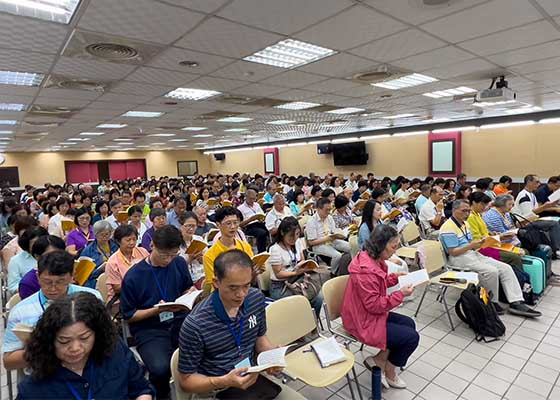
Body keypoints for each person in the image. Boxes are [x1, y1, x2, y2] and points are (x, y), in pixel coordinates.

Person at [178, 250, 283, 399]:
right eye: (233, 288)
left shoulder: (255, 298)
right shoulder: (195, 324)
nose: (241, 294)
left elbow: (260, 338)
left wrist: (272, 356)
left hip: (251, 377)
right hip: (216, 388)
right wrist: (223, 380)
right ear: (216, 283)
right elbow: (186, 381)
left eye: (246, 285)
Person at [17, 292, 155, 399]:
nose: (75, 348)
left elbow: (141, 389)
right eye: (64, 341)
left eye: (84, 338)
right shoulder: (33, 387)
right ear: (50, 340)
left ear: (97, 334)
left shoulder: (115, 351)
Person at [120, 225, 195, 399]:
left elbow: (186, 287)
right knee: (161, 369)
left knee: (204, 351)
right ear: (152, 245)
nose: (168, 260)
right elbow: (129, 316)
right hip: (150, 329)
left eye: (173, 254)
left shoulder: (179, 262)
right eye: (164, 255)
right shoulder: (134, 276)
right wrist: (155, 311)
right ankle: (161, 395)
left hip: (180, 320)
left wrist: (190, 293)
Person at [341, 224, 418, 389]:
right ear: (381, 245)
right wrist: (400, 294)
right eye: (393, 247)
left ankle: (379, 360)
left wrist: (394, 278)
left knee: (409, 324)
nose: (395, 251)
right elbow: (374, 305)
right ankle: (390, 371)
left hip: (364, 313)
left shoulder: (372, 259)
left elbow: (378, 283)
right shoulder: (366, 270)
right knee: (411, 337)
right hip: (360, 320)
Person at [439, 200, 541, 317]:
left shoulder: (464, 224)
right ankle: (492, 302)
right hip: (458, 258)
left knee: (506, 268)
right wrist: (472, 245)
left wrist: (483, 242)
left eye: (468, 211)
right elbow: (453, 252)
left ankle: (516, 301)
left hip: (471, 253)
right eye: (464, 211)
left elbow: (470, 242)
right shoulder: (448, 228)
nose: (467, 214)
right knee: (491, 271)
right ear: (454, 210)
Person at [2, 251, 102, 371]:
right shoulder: (21, 311)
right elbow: (9, 362)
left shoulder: (91, 298)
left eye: (60, 282)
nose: (53, 288)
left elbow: (105, 337)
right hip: (45, 375)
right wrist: (45, 350)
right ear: (38, 276)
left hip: (89, 369)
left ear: (72, 276)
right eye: (47, 282)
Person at [269, 217, 323, 316]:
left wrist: (306, 266)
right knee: (300, 304)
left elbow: (302, 260)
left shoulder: (297, 242)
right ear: (282, 233)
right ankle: (302, 327)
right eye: (290, 236)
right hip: (280, 286)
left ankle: (313, 324)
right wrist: (295, 272)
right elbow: (278, 274)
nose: (294, 238)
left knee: (319, 298)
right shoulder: (275, 249)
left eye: (297, 234)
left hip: (298, 280)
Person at [358, 201, 409, 294]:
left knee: (403, 264)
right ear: (370, 212)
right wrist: (388, 260)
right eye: (378, 210)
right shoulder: (364, 228)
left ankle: (405, 290)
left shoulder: (379, 223)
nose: (381, 212)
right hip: (373, 255)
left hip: (382, 252)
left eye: (380, 209)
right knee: (393, 267)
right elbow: (368, 249)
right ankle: (390, 294)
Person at [203, 207, 253, 291]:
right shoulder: (209, 255)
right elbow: (213, 283)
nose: (233, 227)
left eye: (235, 223)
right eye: (228, 223)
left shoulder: (245, 246)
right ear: (218, 225)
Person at [106, 224, 149, 304]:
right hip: (122, 299)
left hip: (143, 294)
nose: (132, 243)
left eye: (134, 239)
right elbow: (117, 288)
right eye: (128, 240)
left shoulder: (143, 252)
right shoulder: (112, 262)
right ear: (118, 241)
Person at [306, 197, 351, 274]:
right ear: (319, 209)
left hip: (331, 240)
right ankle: (334, 273)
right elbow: (311, 243)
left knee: (351, 247)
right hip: (319, 244)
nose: (329, 212)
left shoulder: (329, 218)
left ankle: (349, 269)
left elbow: (334, 231)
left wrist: (340, 234)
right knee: (337, 256)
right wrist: (328, 238)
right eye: (326, 210)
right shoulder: (311, 222)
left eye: (330, 209)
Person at [19, 235, 66, 299]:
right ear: (37, 257)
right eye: (50, 255)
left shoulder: (70, 273)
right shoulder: (28, 283)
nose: (56, 259)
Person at [7, 226, 47, 295]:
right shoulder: (16, 261)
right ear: (27, 243)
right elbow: (12, 286)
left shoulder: (53, 256)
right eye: (35, 242)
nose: (40, 245)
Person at [80, 220, 119, 287]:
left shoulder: (115, 245)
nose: (105, 237)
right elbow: (84, 275)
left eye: (107, 234)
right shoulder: (88, 251)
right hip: (96, 281)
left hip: (115, 277)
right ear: (95, 234)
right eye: (101, 235)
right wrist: (99, 270)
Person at [178, 211, 206, 289]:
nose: (191, 229)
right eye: (188, 226)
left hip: (202, 274)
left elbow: (206, 260)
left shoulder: (199, 239)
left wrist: (201, 259)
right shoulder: (176, 242)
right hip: (187, 277)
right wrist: (189, 259)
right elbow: (176, 267)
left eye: (194, 226)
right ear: (181, 226)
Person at [238, 189, 268, 253]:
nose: (253, 201)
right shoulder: (240, 208)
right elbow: (239, 224)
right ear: (246, 197)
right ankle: (262, 252)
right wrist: (251, 219)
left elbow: (262, 214)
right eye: (251, 199)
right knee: (262, 233)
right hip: (249, 226)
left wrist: (261, 218)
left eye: (254, 199)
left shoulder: (256, 205)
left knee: (270, 230)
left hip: (260, 223)